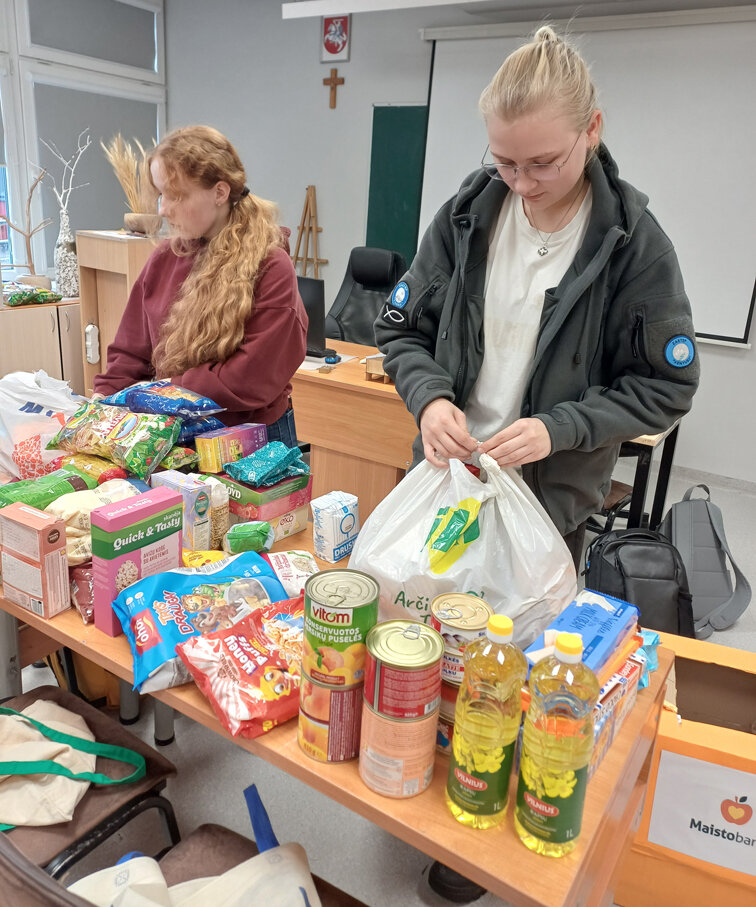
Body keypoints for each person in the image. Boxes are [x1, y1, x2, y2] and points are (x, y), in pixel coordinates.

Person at [375, 25, 699, 567]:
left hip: (546, 508)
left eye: (543, 163)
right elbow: (400, 330)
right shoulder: (465, 217)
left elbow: (666, 386)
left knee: (523, 623)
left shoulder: (635, 246)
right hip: (446, 482)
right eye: (505, 162)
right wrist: (429, 400)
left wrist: (559, 429)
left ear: (591, 129)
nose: (522, 183)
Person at [94, 126, 307, 447]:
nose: (163, 209)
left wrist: (164, 389)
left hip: (250, 440)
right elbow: (130, 351)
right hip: (174, 431)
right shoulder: (164, 259)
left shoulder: (270, 266)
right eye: (161, 194)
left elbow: (251, 377)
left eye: (176, 196)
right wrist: (103, 398)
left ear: (220, 192)